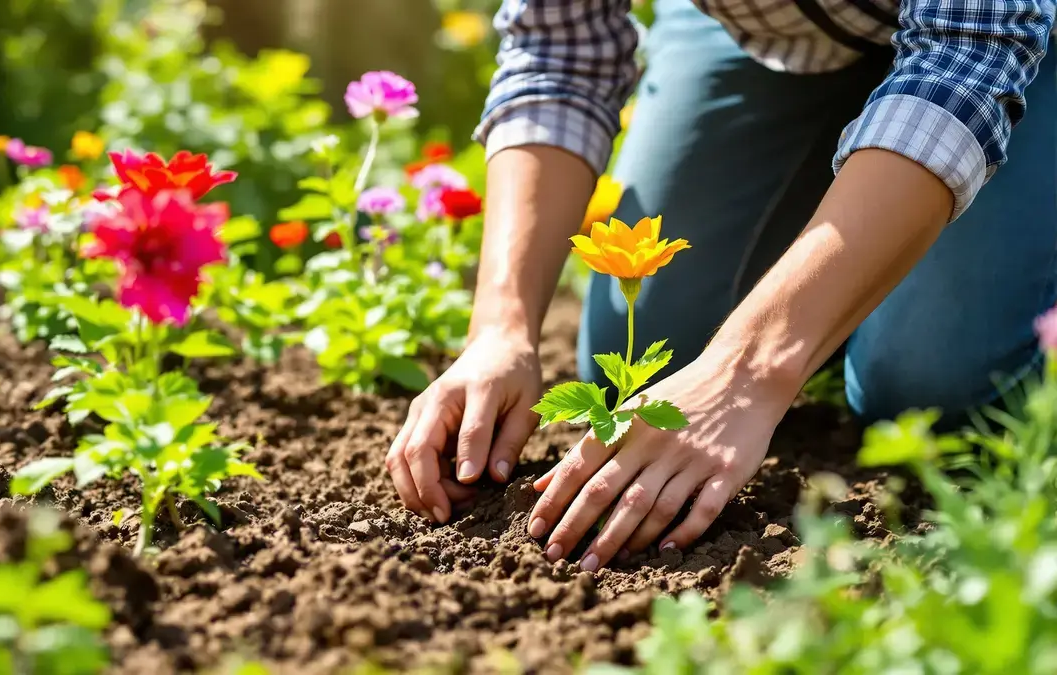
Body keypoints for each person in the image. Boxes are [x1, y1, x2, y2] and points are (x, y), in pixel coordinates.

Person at [385, 0, 1057, 572]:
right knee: (651, 362)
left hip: (1014, 34)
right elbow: (557, 48)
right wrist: (500, 328)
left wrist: (749, 369)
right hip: (769, 32)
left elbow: (964, 57)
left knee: (928, 380)